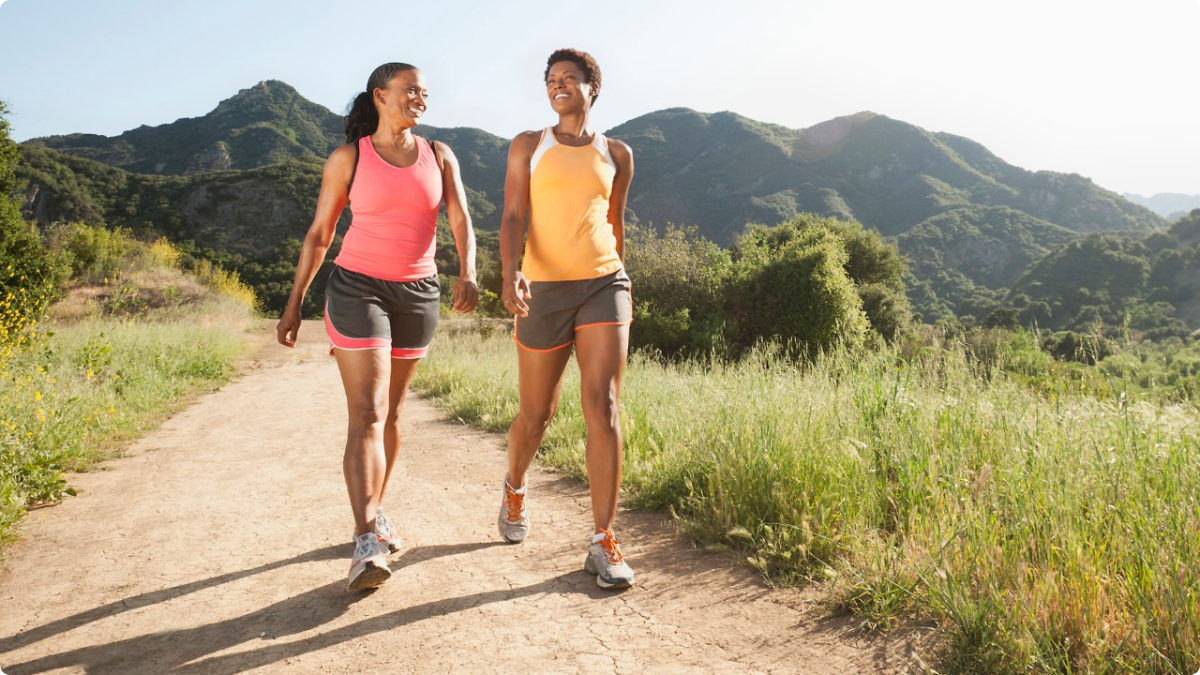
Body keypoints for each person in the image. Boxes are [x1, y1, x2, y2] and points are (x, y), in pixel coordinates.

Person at [276, 62, 478, 591]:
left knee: (390, 413)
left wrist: (469, 271)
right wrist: (294, 301)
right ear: (380, 95)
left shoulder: (439, 155)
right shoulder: (350, 158)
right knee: (366, 410)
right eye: (411, 90)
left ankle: (376, 509)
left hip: (418, 291)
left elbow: (459, 217)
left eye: (425, 93)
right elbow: (321, 233)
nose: (421, 99)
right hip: (357, 286)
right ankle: (366, 538)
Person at [497, 48, 636, 589]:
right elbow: (512, 215)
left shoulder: (617, 153)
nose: (558, 86)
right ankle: (514, 484)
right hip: (542, 289)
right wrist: (509, 274)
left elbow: (616, 224)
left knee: (602, 403)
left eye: (568, 79)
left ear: (591, 88)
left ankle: (603, 540)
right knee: (536, 415)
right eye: (551, 80)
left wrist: (623, 280)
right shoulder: (529, 146)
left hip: (605, 282)